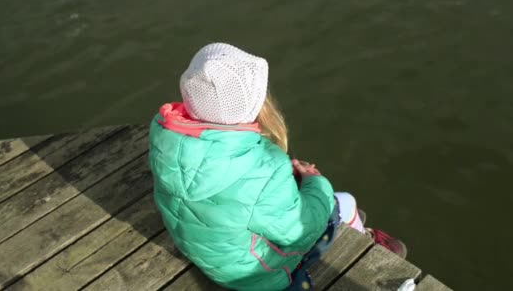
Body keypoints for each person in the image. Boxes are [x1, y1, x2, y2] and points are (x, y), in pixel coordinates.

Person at [148, 43, 405, 290]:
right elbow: (298, 232)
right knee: (343, 203)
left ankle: (353, 225)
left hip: (206, 253)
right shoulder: (265, 170)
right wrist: (315, 181)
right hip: (254, 276)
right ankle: (364, 237)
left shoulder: (164, 134)